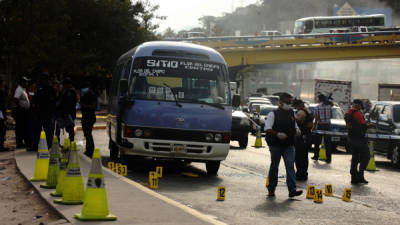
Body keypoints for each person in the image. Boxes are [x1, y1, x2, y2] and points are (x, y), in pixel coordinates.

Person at [264, 93, 303, 198]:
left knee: (290, 166)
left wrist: (297, 129)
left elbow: (294, 124)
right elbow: (267, 128)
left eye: (290, 102)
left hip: (289, 144)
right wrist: (277, 134)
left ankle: (292, 190)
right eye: (287, 102)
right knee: (274, 166)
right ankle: (271, 189)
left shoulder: (291, 113)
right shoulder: (273, 114)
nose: (289, 104)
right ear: (281, 102)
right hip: (276, 144)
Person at [346, 99, 369, 184]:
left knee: (355, 158)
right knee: (366, 156)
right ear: (358, 105)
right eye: (360, 106)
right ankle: (360, 175)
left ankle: (354, 177)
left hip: (351, 138)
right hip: (359, 139)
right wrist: (369, 125)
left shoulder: (348, 113)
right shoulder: (358, 114)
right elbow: (363, 126)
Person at [33, 74, 57, 148]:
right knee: (39, 130)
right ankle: (39, 145)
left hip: (48, 113)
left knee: (48, 130)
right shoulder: (40, 89)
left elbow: (54, 102)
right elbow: (35, 100)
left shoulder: (51, 90)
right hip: (40, 113)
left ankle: (48, 145)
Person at [293, 99, 313, 181]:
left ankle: (300, 174)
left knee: (298, 157)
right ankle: (304, 173)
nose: (295, 108)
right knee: (304, 156)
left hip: (301, 137)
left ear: (299, 105)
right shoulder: (308, 110)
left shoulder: (301, 112)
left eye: (296, 106)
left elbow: (295, 123)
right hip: (307, 136)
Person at [312, 94, 333, 163]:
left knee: (317, 142)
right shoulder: (329, 106)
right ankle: (328, 159)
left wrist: (314, 126)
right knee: (328, 143)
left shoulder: (317, 107)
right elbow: (331, 116)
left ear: (319, 99)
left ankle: (316, 156)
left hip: (320, 125)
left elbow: (317, 118)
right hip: (328, 126)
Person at [80, 84, 97, 157]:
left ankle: (90, 150)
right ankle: (89, 149)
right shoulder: (85, 96)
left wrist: (86, 106)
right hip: (86, 117)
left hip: (89, 117)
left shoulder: (92, 96)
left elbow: (93, 106)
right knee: (87, 134)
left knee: (88, 134)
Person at [57, 77, 77, 142]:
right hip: (66, 113)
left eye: (64, 84)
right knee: (68, 128)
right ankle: (70, 141)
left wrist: (66, 113)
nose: (63, 85)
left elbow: (69, 103)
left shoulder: (71, 92)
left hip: (69, 113)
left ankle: (71, 141)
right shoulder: (65, 91)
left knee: (70, 128)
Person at [13, 76, 30, 148]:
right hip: (21, 112)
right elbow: (15, 98)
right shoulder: (19, 89)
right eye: (26, 82)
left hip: (24, 112)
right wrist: (20, 107)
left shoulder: (23, 89)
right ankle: (19, 143)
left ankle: (23, 142)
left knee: (24, 127)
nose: (27, 83)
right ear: (22, 82)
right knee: (20, 127)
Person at [0, 78, 9, 151]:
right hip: (0, 114)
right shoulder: (1, 92)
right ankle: (1, 146)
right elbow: (2, 105)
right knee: (2, 130)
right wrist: (5, 115)